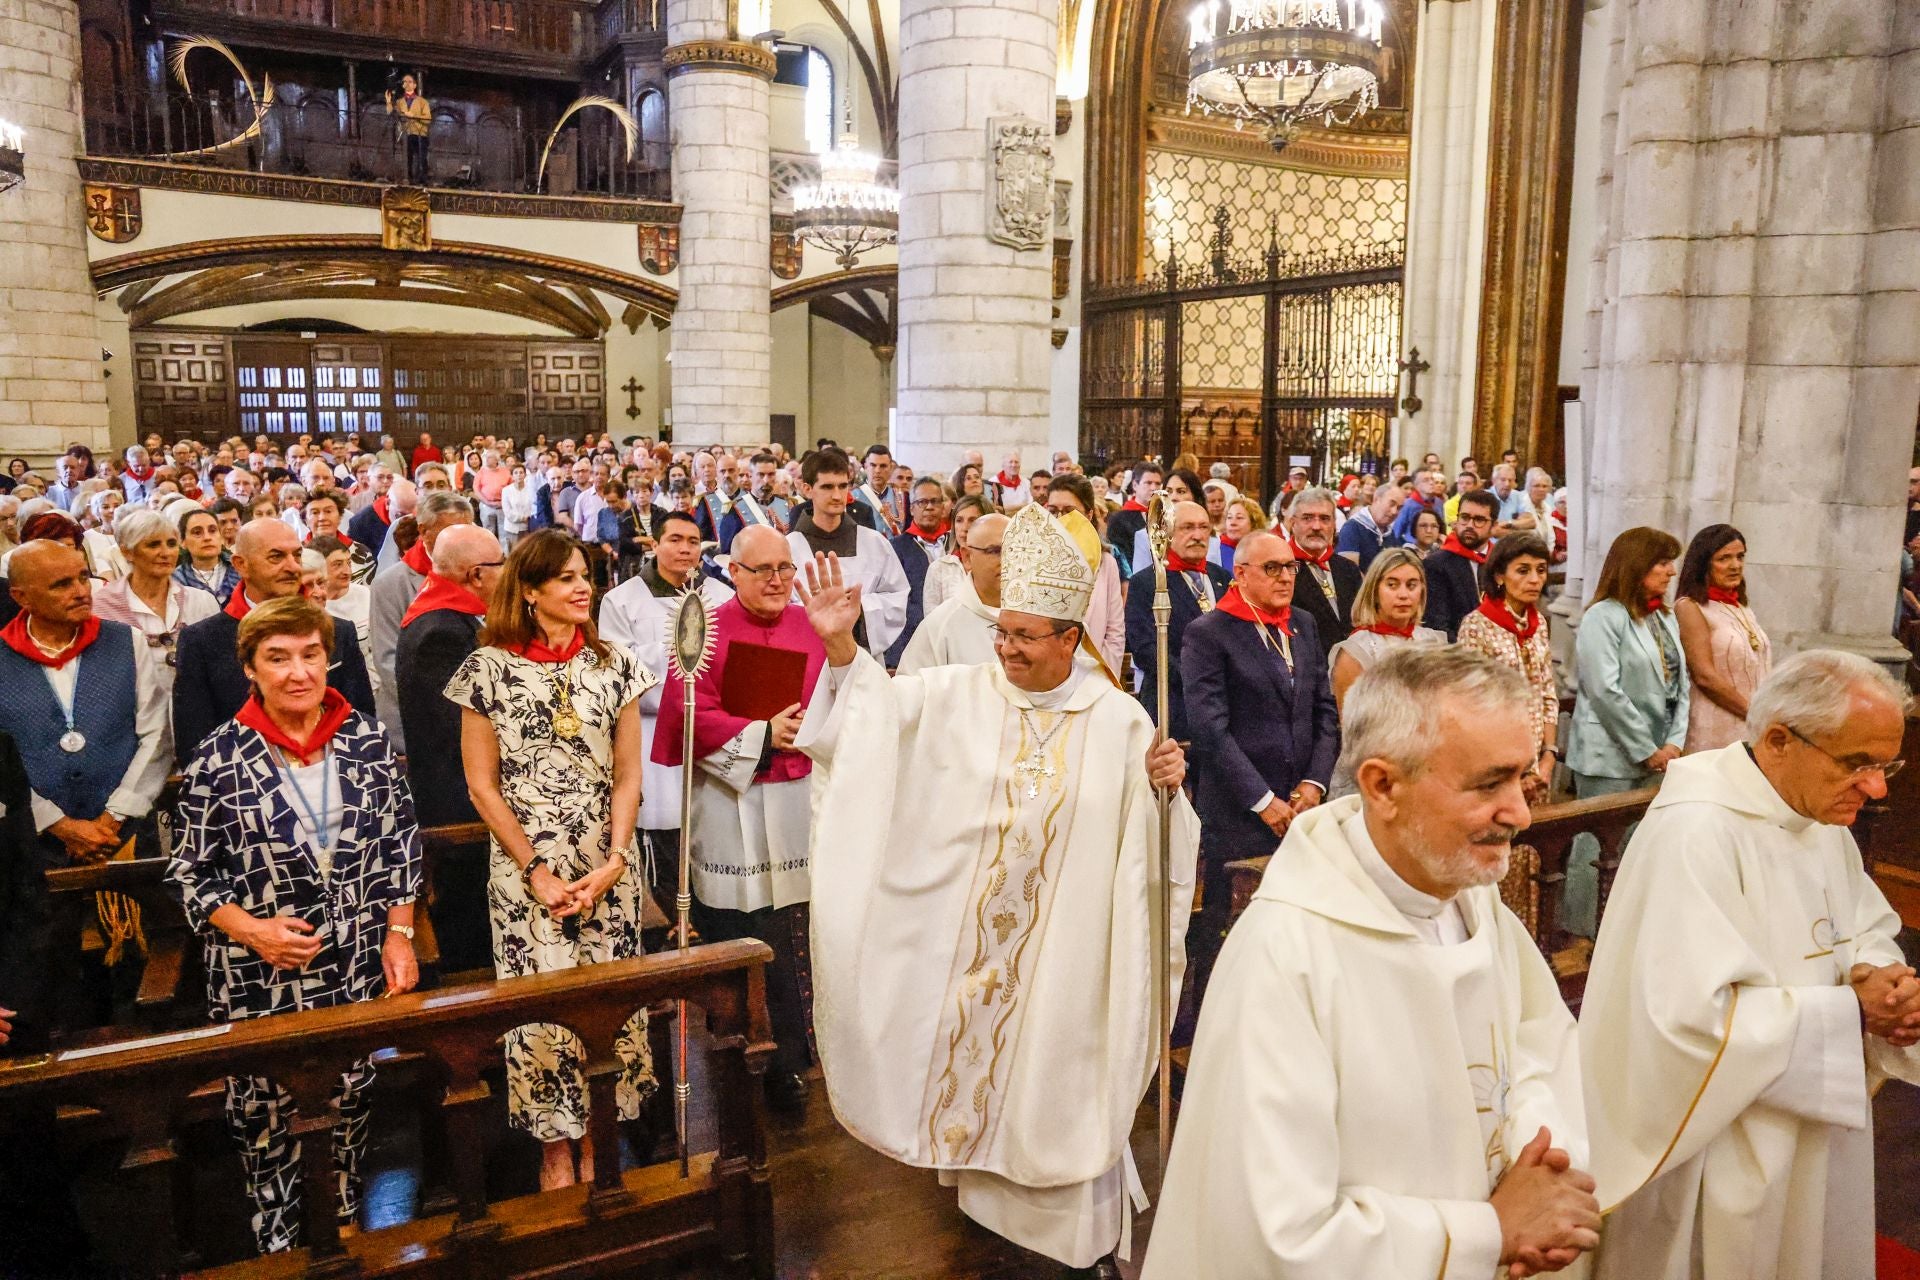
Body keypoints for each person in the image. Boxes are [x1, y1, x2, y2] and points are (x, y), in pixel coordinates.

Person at [794, 504, 1196, 1273]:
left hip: (1066, 957)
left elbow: (1155, 850)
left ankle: (1082, 1239)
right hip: (966, 953)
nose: (1006, 649)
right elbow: (874, 721)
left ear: (1070, 640)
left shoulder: (1117, 721)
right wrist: (842, 647)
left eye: (1024, 637)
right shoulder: (958, 694)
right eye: (1000, 633)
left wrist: (1161, 791)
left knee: (1057, 1082)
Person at [1145, 646, 1598, 1280]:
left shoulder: (1472, 900)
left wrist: (1541, 1168)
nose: (1520, 813)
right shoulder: (1287, 954)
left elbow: (1536, 1047)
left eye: (1520, 778)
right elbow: (1278, 1235)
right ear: (1382, 785)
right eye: (1488, 783)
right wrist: (1489, 1233)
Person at [1579, 651, 1920, 1280]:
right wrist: (1850, 1011)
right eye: (1859, 764)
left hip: (1814, 1123)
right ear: (1779, 739)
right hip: (1716, 1144)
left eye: (1885, 764)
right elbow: (1684, 1022)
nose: (1878, 788)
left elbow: (1863, 926)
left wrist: (1882, 979)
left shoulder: (1816, 814)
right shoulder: (1697, 831)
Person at [167, 595, 421, 1254]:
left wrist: (400, 932)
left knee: (350, 1101)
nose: (298, 672)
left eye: (311, 654)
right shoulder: (217, 758)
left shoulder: (365, 738)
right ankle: (279, 1247)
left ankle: (339, 1225)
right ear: (249, 667)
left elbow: (400, 846)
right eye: (277, 658)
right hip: (261, 973)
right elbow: (191, 874)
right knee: (269, 1118)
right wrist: (251, 930)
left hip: (356, 960)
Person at [444, 530, 657, 1190]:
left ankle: (603, 1144)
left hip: (606, 867)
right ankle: (554, 1153)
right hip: (526, 874)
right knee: (541, 1017)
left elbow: (628, 776)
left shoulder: (615, 662)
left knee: (610, 1010)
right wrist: (535, 868)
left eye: (585, 574)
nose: (582, 586)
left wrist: (619, 857)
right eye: (565, 578)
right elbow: (481, 784)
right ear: (530, 591)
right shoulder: (488, 669)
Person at [652, 525, 822, 1112]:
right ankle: (750, 1055)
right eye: (762, 570)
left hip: (801, 797)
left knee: (802, 928)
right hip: (735, 804)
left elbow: (847, 694)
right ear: (734, 572)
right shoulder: (706, 626)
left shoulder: (810, 624)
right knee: (749, 929)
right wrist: (763, 734)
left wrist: (814, 726)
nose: (777, 580)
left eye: (785, 567)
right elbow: (685, 710)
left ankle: (803, 1056)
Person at [0, 540, 168, 1043]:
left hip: (124, 841)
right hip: (36, 849)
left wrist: (115, 816)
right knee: (54, 983)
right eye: (62, 584)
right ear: (22, 596)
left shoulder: (125, 642)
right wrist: (56, 822)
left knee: (133, 975)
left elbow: (157, 735)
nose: (81, 591)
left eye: (82, 577)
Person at [1179, 529, 1339, 1027]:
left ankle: (1286, 1023)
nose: (1287, 577)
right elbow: (1209, 730)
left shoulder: (1305, 625)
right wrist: (1264, 800)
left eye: (1290, 567)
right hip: (1239, 809)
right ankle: (1213, 1030)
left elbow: (1324, 712)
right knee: (1227, 929)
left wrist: (1314, 784)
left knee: (1296, 922)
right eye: (1273, 568)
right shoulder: (1209, 632)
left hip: (1303, 807)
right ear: (1241, 573)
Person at [597, 510, 734, 913]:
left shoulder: (723, 596)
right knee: (666, 838)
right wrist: (685, 664)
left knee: (713, 830)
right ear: (654, 545)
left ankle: (713, 920)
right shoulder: (621, 601)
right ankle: (675, 920)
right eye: (675, 539)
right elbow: (622, 674)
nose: (685, 549)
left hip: (712, 732)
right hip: (653, 734)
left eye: (693, 541)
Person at [173, 519, 377, 755]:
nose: (293, 567)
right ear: (241, 565)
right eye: (276, 557)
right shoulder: (202, 642)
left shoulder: (338, 631)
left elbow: (361, 721)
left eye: (297, 555)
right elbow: (195, 744)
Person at [91, 509, 220, 759]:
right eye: (153, 544)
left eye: (171, 543)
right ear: (127, 552)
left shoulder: (201, 601)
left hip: (197, 731)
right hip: (132, 736)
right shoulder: (101, 608)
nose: (166, 552)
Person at [369, 490, 474, 752]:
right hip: (417, 721)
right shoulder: (391, 584)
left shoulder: (480, 574)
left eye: (467, 530)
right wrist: (446, 713)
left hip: (474, 716)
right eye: (451, 532)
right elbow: (388, 660)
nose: (461, 541)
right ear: (424, 531)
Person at [1458, 535, 1558, 802]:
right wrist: (1515, 772)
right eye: (1523, 570)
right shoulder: (1477, 626)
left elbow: (1547, 691)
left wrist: (1549, 754)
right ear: (1500, 576)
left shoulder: (1538, 624)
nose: (1535, 579)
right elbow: (1473, 707)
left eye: (1541, 570)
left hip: (1537, 760)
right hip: (1496, 765)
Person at [787, 447, 909, 659]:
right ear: (807, 489)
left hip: (863, 656)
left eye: (843, 486)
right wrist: (820, 612)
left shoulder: (874, 543)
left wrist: (859, 609)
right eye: (827, 487)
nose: (837, 495)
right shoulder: (787, 548)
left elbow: (897, 598)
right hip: (809, 658)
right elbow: (779, 608)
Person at [1124, 500, 1231, 741]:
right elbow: (1145, 649)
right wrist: (1198, 678)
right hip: (1173, 705)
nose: (1197, 535)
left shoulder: (1220, 577)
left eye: (1204, 527)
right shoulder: (1148, 582)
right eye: (1187, 528)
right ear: (1168, 533)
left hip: (1225, 705)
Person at [1674, 523, 1772, 753]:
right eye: (1724, 559)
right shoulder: (1690, 607)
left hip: (1752, 723)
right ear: (1703, 564)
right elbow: (1704, 676)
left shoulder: (1742, 607)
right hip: (1715, 726)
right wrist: (1753, 713)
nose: (1735, 566)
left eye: (1740, 557)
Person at [1327, 546, 1445, 710]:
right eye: (1392, 585)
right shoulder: (1355, 652)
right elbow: (1351, 729)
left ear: (1422, 590)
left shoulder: (1433, 642)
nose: (1403, 594)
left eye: (1411, 585)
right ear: (1374, 590)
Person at [897, 513, 1008, 674]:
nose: (1008, 559)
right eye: (995, 551)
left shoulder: (1038, 617)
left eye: (1015, 550)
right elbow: (912, 689)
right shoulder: (940, 625)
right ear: (967, 556)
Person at [1044, 474, 1126, 676]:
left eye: (1070, 512)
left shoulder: (1106, 564)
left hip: (1093, 672)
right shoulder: (1035, 559)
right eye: (1053, 511)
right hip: (1046, 672)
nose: (1061, 519)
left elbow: (1114, 631)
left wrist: (1104, 676)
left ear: (1089, 514)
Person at [884, 475, 954, 668]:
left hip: (954, 634)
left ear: (943, 507)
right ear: (912, 508)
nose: (929, 507)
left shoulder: (956, 543)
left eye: (935, 501)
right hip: (912, 638)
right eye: (922, 502)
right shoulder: (896, 548)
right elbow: (894, 601)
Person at [1285, 486, 1362, 646]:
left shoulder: (1348, 569)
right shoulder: (1281, 568)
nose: (1316, 526)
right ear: (1293, 523)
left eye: (1325, 519)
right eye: (1307, 518)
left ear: (1334, 524)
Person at [1423, 488, 1498, 640]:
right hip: (1458, 655)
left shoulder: (1501, 562)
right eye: (1464, 517)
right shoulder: (1436, 565)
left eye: (1479, 519)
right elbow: (1437, 628)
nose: (1469, 525)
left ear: (1494, 525)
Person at [923, 494, 990, 614]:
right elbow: (930, 620)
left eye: (972, 520)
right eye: (959, 520)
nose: (964, 528)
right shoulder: (939, 568)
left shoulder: (998, 567)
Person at [1335, 476, 1405, 571]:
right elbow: (1350, 573)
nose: (1394, 511)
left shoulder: (1389, 532)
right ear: (1376, 499)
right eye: (1391, 504)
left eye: (1399, 508)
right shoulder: (1353, 528)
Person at [175, 505, 241, 604]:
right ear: (183, 542)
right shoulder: (175, 581)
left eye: (212, 530)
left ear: (221, 536)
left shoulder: (241, 569)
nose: (207, 537)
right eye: (197, 532)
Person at [1105, 462, 1162, 573]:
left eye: (1157, 484)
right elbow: (1121, 558)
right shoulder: (1119, 519)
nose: (1154, 488)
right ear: (1135, 485)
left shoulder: (1165, 516)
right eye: (1148, 483)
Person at [1214, 494, 1262, 575]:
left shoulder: (1262, 549)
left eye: (1239, 518)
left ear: (1253, 523)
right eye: (1229, 517)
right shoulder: (1214, 549)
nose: (1232, 523)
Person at [500, 462, 534, 549]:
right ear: (512, 476)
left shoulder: (531, 489)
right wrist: (523, 518)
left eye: (521, 472)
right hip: (512, 528)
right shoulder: (506, 490)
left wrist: (529, 518)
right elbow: (507, 511)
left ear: (525, 475)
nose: (519, 475)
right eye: (516, 473)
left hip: (528, 527)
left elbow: (533, 506)